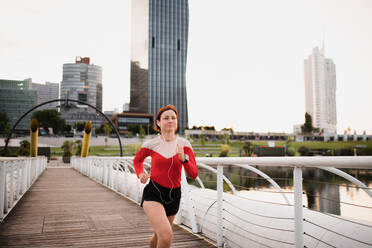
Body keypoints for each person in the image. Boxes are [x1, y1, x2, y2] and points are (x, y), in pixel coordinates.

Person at [133, 104, 198, 248]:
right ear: (158, 122)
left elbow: (193, 174)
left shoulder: (184, 145)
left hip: (174, 195)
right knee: (166, 235)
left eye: (173, 118)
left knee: (158, 235)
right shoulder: (151, 144)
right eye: (166, 118)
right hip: (154, 193)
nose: (170, 120)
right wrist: (140, 173)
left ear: (177, 121)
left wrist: (183, 160)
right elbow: (137, 160)